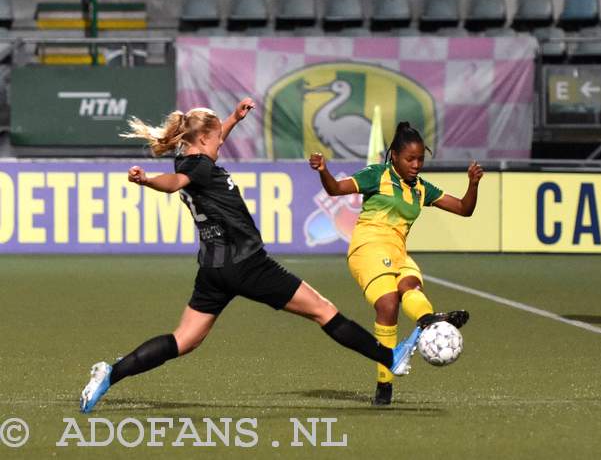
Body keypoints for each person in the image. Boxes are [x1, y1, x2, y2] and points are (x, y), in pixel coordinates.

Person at [79, 99, 421, 414]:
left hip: (214, 269)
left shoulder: (188, 154)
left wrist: (231, 120)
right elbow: (174, 182)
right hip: (247, 263)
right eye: (216, 140)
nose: (220, 144)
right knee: (323, 310)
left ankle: (111, 373)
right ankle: (388, 357)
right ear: (202, 141)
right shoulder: (196, 167)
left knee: (183, 340)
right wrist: (148, 181)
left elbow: (202, 149)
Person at [309, 122, 483, 405]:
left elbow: (464, 209)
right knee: (388, 303)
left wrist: (473, 183)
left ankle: (428, 321)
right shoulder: (377, 175)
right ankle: (385, 384)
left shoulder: (421, 189)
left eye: (420, 160)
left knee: (411, 286)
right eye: (410, 159)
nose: (416, 165)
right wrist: (323, 171)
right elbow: (336, 189)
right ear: (394, 157)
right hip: (368, 246)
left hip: (398, 251)